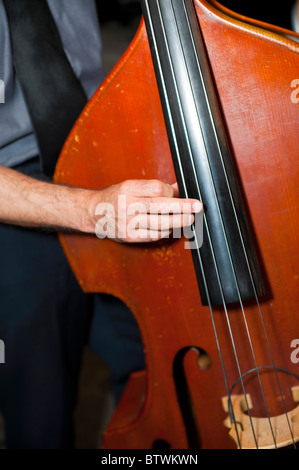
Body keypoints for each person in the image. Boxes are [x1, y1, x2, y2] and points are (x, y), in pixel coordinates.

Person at [0, 0, 200, 449]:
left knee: (160, 372)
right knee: (40, 416)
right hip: (11, 195)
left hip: (96, 151)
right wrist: (95, 212)